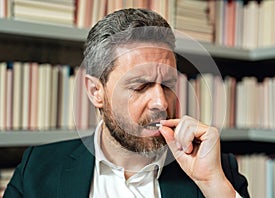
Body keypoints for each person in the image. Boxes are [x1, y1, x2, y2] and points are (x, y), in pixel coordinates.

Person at [4, 8, 249, 198]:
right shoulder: (37, 168)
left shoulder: (217, 171)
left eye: (168, 85)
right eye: (140, 86)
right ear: (95, 91)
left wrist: (213, 185)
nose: (160, 103)